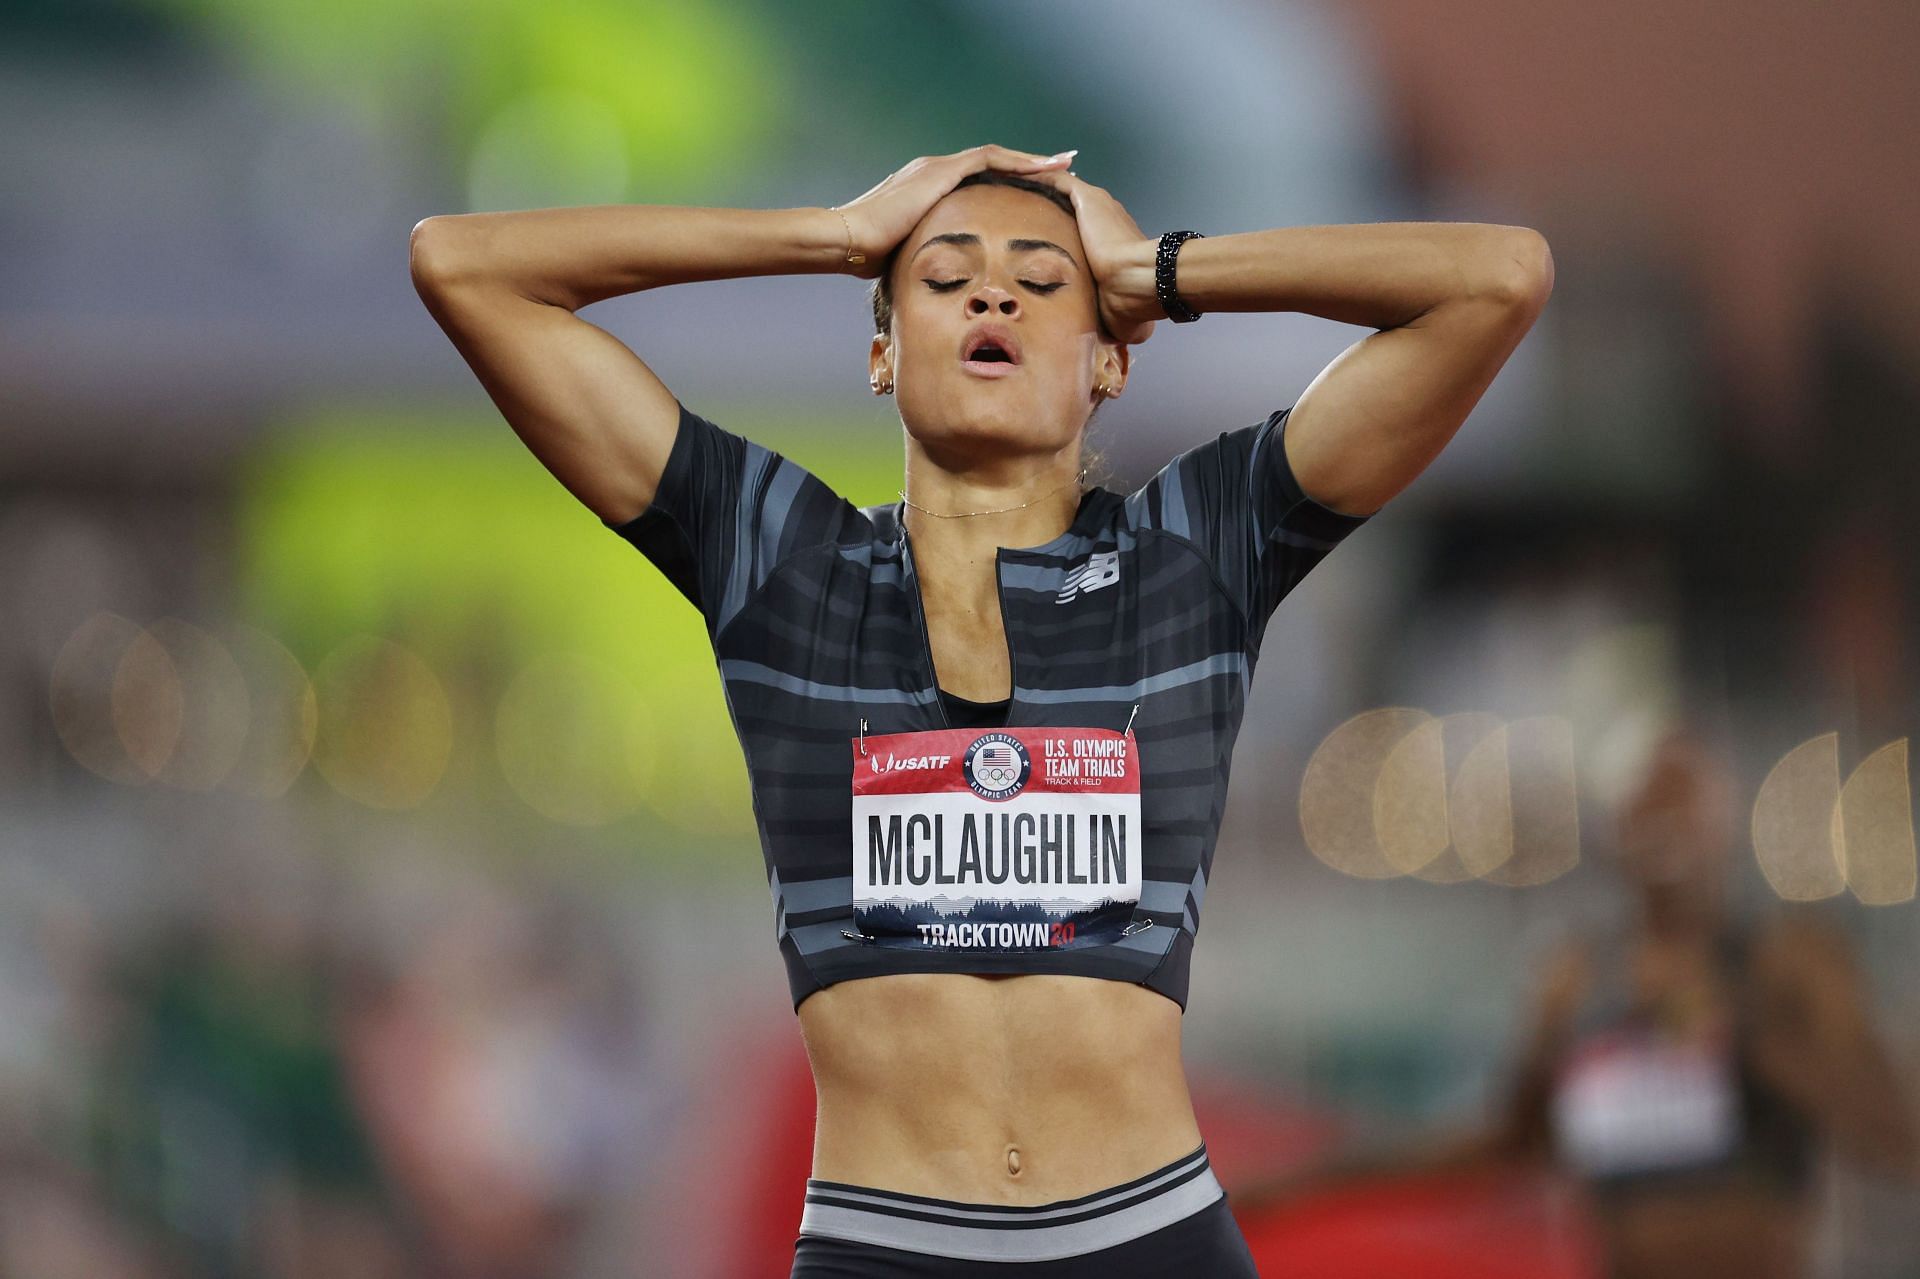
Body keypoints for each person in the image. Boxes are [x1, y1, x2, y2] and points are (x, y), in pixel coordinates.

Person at [409, 143, 1552, 1275]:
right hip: (884, 1244)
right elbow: (464, 266)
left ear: (1108, 361)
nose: (993, 293)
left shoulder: (1193, 555)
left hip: (1145, 1236)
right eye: (944, 278)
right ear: (881, 353)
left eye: (1045, 281)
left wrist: (1161, 270)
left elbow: (1498, 279)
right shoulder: (778, 558)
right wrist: (833, 233)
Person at [1235, 725, 1919, 1279]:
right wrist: (1300, 1183)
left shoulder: (1788, 964)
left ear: (1723, 827)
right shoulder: (1582, 980)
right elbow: (1507, 1142)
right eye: (1648, 806)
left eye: (1684, 806)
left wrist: (1751, 1035)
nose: (1664, 827)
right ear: (1619, 830)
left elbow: (1895, 1136)